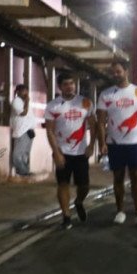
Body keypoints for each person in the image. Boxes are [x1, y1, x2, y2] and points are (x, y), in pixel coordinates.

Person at [96, 59, 137, 225]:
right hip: (115, 143)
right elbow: (100, 121)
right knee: (118, 178)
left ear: (126, 71)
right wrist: (102, 142)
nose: (115, 75)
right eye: (113, 72)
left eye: (118, 71)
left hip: (136, 143)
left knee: (136, 176)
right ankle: (120, 211)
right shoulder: (106, 94)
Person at [44, 72, 95, 230]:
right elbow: (50, 131)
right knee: (63, 184)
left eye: (72, 83)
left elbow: (93, 125)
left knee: (84, 186)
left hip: (81, 152)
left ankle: (79, 202)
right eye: (66, 84)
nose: (70, 87)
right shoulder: (53, 106)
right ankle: (66, 216)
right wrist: (56, 153)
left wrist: (92, 145)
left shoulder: (85, 103)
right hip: (62, 152)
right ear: (60, 87)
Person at [9, 84, 37, 178]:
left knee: (26, 153)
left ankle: (25, 171)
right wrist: (27, 101)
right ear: (17, 92)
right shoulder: (16, 101)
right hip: (21, 131)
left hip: (29, 131)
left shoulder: (24, 102)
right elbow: (23, 113)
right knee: (18, 153)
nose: (26, 93)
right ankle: (21, 171)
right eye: (24, 91)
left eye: (27, 91)